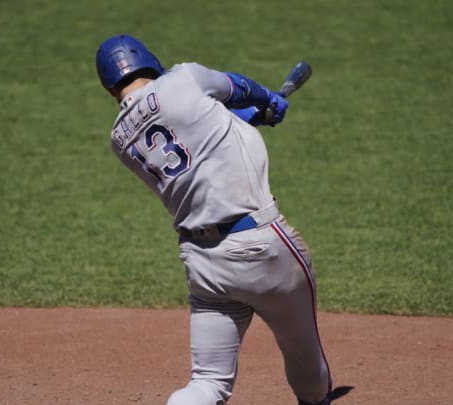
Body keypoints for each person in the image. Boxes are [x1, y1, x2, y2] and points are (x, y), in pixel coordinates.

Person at [95, 34, 352, 405]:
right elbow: (237, 85)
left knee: (207, 382)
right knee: (307, 361)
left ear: (109, 89)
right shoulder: (182, 78)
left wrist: (239, 120)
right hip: (263, 249)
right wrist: (266, 99)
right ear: (150, 61)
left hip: (205, 265)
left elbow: (192, 136)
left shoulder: (120, 139)